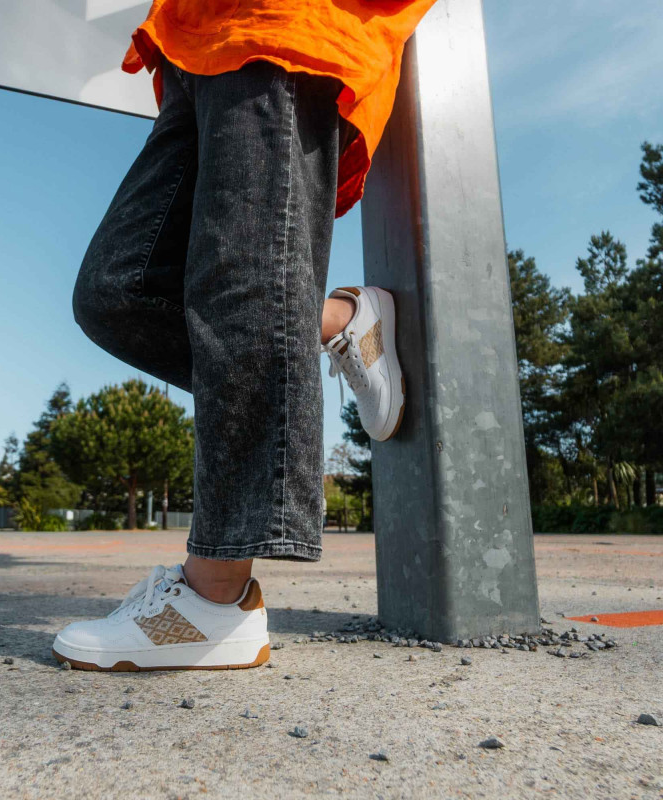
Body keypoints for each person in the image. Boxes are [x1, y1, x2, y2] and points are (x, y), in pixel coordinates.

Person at [53, 0, 437, 671]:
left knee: (244, 285)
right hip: (190, 38)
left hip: (284, 19)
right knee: (115, 292)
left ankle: (216, 600)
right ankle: (336, 322)